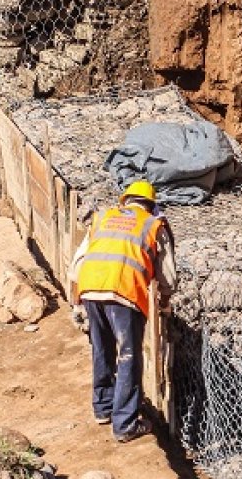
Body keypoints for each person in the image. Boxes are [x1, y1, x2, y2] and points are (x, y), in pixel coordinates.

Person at [69, 179, 176, 443]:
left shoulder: (103, 217)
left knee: (101, 347)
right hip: (124, 293)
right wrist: (164, 301)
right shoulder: (153, 225)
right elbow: (169, 278)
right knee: (129, 355)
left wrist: (77, 301)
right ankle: (126, 423)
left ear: (125, 201)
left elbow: (78, 261)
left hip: (91, 287)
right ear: (151, 206)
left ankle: (103, 408)